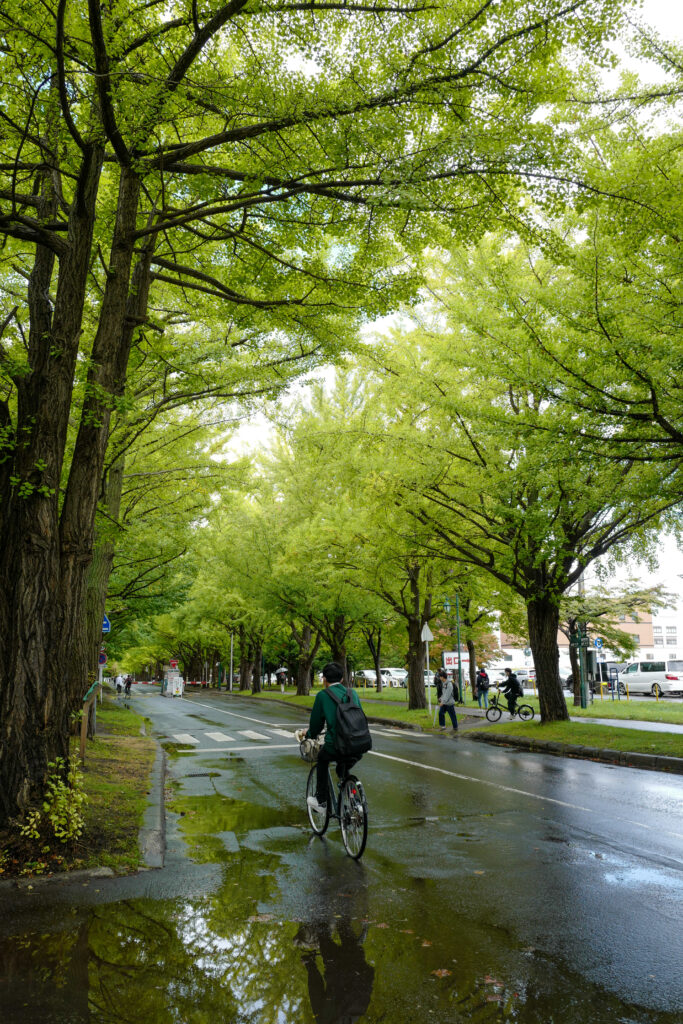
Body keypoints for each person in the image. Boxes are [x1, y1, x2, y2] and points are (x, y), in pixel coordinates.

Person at [299, 662, 363, 815]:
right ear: (342, 679)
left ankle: (321, 801)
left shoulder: (322, 696)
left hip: (336, 745)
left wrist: (308, 735)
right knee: (344, 767)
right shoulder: (351, 693)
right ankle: (355, 801)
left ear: (324, 679)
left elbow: (315, 726)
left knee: (322, 759)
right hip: (359, 743)